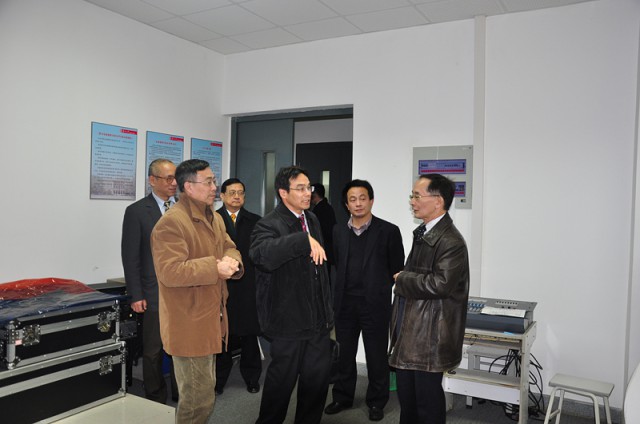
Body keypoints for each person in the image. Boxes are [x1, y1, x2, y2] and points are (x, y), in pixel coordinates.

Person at [151, 159, 243, 424]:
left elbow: (230, 246)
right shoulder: (171, 223)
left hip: (210, 317)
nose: (215, 187)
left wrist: (232, 261)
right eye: (209, 182)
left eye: (214, 181)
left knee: (203, 394)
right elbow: (170, 272)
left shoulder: (214, 217)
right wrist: (215, 267)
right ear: (188, 187)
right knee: (197, 401)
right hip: (188, 324)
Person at [249, 165, 334, 424]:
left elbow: (319, 270)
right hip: (288, 322)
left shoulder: (313, 219)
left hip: (318, 320)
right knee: (280, 387)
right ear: (283, 193)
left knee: (316, 384)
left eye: (309, 187)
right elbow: (262, 256)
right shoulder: (268, 223)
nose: (308, 193)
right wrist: (301, 240)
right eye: (300, 188)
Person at [388, 173, 470, 424]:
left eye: (417, 196)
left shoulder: (450, 241)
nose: (412, 201)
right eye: (412, 196)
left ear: (438, 201)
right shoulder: (425, 233)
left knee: (427, 406)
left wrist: (403, 279)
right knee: (409, 403)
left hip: (429, 339)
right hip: (412, 332)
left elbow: (440, 285)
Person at [324, 179, 404, 422]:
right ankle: (342, 397)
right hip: (345, 304)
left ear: (371, 201)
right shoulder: (338, 231)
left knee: (376, 356)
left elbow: (397, 268)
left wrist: (377, 289)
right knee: (344, 355)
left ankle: (377, 402)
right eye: (352, 199)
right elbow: (336, 264)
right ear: (346, 204)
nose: (358, 203)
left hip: (374, 305)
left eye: (362, 198)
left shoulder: (388, 231)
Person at [121, 158, 179, 404]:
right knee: (153, 350)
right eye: (168, 178)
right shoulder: (136, 212)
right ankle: (155, 396)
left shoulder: (183, 208)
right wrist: (136, 295)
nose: (174, 183)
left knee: (180, 348)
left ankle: (181, 393)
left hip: (181, 291)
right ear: (152, 180)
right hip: (153, 293)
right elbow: (130, 256)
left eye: (176, 178)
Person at [215, 178, 262, 395]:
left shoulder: (255, 221)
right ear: (222, 196)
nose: (236, 196)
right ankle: (219, 380)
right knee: (223, 336)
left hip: (248, 285)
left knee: (249, 335)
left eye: (240, 192)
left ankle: (252, 378)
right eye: (232, 192)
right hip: (221, 285)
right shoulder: (213, 219)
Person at [311, 183, 337, 268]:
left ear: (315, 195)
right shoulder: (328, 207)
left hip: (322, 248)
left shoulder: (318, 210)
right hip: (327, 248)